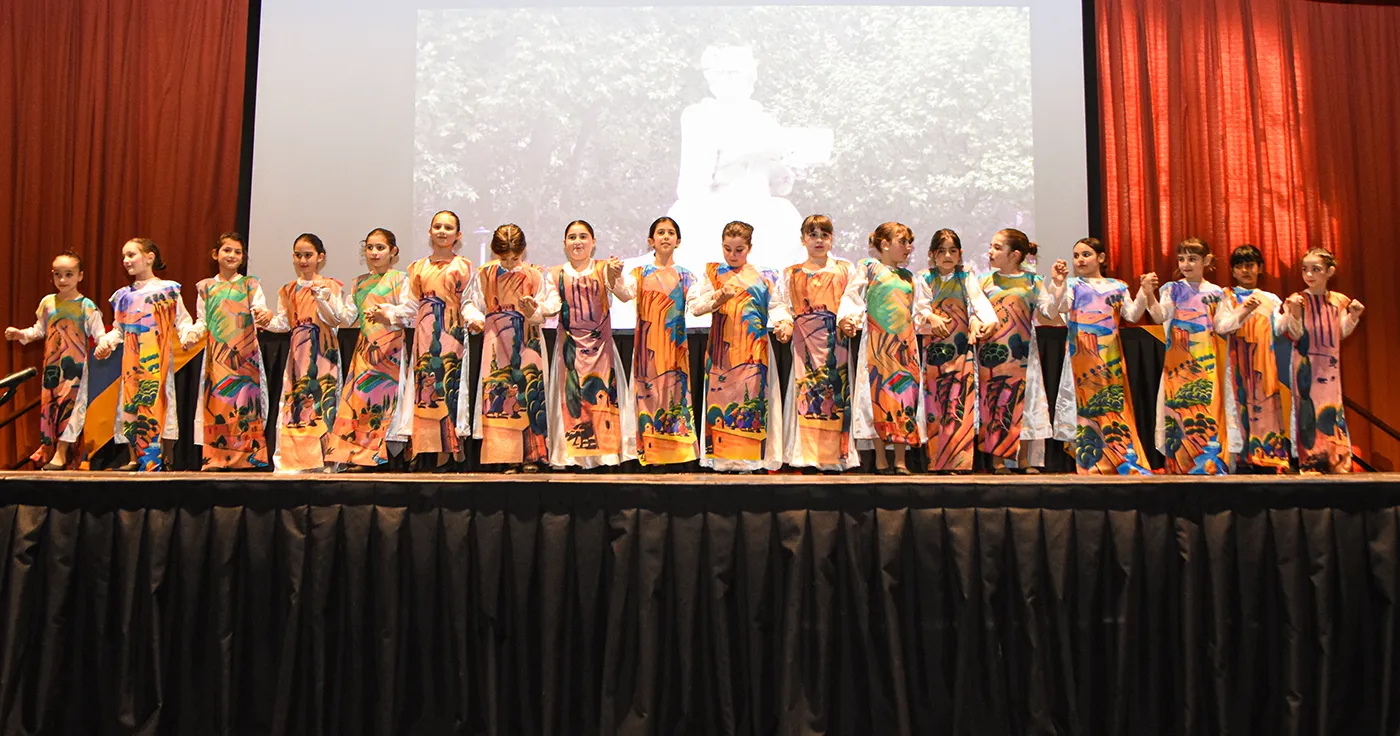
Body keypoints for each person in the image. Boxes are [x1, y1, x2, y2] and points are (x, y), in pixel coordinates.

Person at [666, 45, 808, 272]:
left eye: (736, 73)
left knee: (786, 227)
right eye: (724, 73)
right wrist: (750, 151)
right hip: (717, 206)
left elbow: (780, 186)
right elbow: (695, 181)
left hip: (762, 206)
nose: (729, 80)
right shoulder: (700, 116)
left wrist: (783, 164)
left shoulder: (765, 122)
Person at [687, 220, 792, 472]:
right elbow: (696, 307)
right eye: (727, 249)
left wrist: (784, 324)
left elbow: (777, 306)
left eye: (739, 250)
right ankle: (723, 461)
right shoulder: (713, 273)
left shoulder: (766, 276)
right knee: (722, 402)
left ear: (749, 248)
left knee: (753, 402)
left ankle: (753, 461)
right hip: (722, 351)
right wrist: (717, 298)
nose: (732, 255)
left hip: (754, 351)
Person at [1044, 238, 1153, 475]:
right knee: (1087, 408)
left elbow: (1132, 316)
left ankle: (1119, 458)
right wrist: (1058, 283)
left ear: (1101, 258)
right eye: (1076, 256)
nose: (1080, 260)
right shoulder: (1073, 285)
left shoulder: (1118, 287)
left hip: (1111, 359)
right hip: (1081, 359)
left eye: (1086, 254)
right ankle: (1092, 463)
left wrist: (1144, 292)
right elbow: (1058, 309)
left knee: (1113, 407)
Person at [378, 211, 477, 468]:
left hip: (453, 334)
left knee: (449, 385)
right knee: (424, 386)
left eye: (448, 227)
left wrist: (475, 318)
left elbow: (468, 301)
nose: (442, 231)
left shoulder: (464, 266)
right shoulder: (417, 268)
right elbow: (410, 306)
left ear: (458, 235)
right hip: (425, 333)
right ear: (430, 232)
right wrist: (388, 314)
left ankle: (450, 449)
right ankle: (424, 447)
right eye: (438, 226)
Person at [540, 220, 635, 469]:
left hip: (601, 351)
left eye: (583, 237)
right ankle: (572, 456)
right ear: (564, 244)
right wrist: (534, 308)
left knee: (602, 397)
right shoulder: (555, 274)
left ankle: (605, 454)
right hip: (570, 351)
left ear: (593, 242)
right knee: (571, 398)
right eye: (572, 237)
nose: (578, 242)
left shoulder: (603, 269)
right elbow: (551, 306)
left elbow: (625, 295)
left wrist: (614, 276)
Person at [92, 238, 193, 471]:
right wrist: (106, 344)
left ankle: (163, 458)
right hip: (132, 360)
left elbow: (183, 321)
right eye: (124, 257)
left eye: (131, 255)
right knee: (131, 404)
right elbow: (119, 329)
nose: (126, 261)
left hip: (157, 358)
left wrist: (189, 334)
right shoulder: (123, 296)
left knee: (159, 402)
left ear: (149, 257)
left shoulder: (168, 290)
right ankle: (134, 457)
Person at [1138, 237, 1234, 474]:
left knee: (1207, 412)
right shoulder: (1172, 289)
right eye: (1181, 259)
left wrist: (1243, 312)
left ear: (1206, 261)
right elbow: (1159, 316)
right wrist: (1149, 295)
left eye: (1192, 259)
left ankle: (1209, 465)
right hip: (1177, 363)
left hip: (1206, 363)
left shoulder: (1216, 293)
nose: (1185, 264)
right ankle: (1179, 466)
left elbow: (1222, 326)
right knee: (1178, 412)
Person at [179, 232, 272, 470]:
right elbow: (203, 321)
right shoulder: (206, 288)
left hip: (245, 358)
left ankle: (247, 458)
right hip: (217, 358)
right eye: (227, 250)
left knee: (244, 406)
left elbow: (259, 309)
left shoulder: (250, 284)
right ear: (215, 254)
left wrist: (264, 314)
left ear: (243, 257)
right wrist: (192, 335)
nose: (232, 255)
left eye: (237, 252)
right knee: (219, 406)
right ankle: (217, 458)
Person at [5, 251, 105, 470]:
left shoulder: (86, 306)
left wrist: (106, 345)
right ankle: (54, 451)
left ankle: (61, 453)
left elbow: (100, 336)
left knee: (71, 408)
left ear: (80, 276)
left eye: (69, 274)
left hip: (76, 369)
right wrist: (20, 334)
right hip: (52, 367)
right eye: (58, 274)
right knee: (51, 408)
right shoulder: (48, 303)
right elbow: (39, 330)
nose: (62, 279)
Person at [262, 233, 353, 472]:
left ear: (320, 257)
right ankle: (295, 462)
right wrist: (266, 320)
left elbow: (337, 318)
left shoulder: (331, 286)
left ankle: (325, 461)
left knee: (324, 403)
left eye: (308, 255)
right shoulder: (288, 290)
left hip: (324, 356)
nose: (303, 260)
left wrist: (323, 298)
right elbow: (284, 323)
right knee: (296, 405)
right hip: (297, 358)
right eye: (298, 255)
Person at [838, 222, 923, 474]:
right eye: (902, 242)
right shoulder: (869, 267)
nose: (908, 247)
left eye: (909, 243)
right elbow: (853, 296)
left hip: (904, 346)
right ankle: (880, 458)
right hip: (877, 345)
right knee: (876, 395)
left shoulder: (909, 277)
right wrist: (848, 318)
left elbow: (917, 310)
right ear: (884, 244)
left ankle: (900, 459)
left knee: (903, 399)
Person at [616, 217, 700, 467]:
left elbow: (697, 306)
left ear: (678, 241)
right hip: (648, 349)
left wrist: (716, 299)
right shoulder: (639, 274)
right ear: (651, 241)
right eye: (660, 232)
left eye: (670, 233)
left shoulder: (686, 276)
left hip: (675, 350)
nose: (666, 237)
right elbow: (624, 295)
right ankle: (650, 453)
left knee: (675, 398)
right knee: (648, 396)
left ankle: (676, 454)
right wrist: (612, 277)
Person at [468, 223, 549, 472]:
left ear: (522, 252)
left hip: (527, 341)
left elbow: (545, 309)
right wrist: (475, 318)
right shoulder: (485, 274)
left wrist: (534, 310)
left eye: (514, 258)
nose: (510, 263)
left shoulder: (534, 275)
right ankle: (506, 455)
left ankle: (531, 455)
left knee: (528, 393)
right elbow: (471, 303)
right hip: (495, 340)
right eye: (504, 258)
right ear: (495, 252)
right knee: (500, 393)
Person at [325, 228, 409, 470]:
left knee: (388, 402)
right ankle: (360, 455)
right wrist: (327, 299)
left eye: (380, 248)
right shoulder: (359, 283)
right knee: (361, 403)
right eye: (370, 248)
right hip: (365, 351)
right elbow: (346, 317)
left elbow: (408, 312)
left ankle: (384, 458)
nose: (374, 252)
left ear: (393, 251)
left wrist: (388, 314)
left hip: (391, 350)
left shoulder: (401, 279)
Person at [914, 229, 996, 473]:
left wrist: (987, 321)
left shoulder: (965, 276)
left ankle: (960, 462)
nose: (947, 256)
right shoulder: (925, 278)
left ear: (960, 253)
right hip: (935, 351)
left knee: (960, 401)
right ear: (932, 254)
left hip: (961, 351)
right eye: (942, 251)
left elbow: (978, 302)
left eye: (952, 251)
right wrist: (931, 317)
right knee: (936, 403)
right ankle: (938, 461)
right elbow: (919, 309)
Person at [1278, 246, 1365, 473]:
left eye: (1315, 269)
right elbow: (1295, 334)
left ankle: (1337, 462)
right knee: (1307, 411)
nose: (1309, 274)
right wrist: (1295, 313)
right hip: (1306, 365)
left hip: (1330, 366)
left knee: (1332, 409)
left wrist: (1353, 316)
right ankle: (1311, 463)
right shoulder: (1298, 300)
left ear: (1329, 271)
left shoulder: (1339, 300)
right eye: (1305, 269)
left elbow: (1340, 333)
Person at [782, 215, 858, 471]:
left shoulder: (844, 269)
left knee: (837, 395)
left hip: (835, 344)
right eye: (813, 235)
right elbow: (781, 304)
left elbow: (852, 299)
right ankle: (805, 456)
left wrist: (848, 320)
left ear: (831, 239)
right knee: (804, 394)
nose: (819, 240)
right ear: (803, 239)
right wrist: (783, 322)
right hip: (803, 344)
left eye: (824, 235)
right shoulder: (791, 273)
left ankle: (835, 457)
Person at [976, 228, 1053, 472]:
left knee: (1026, 403)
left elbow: (1048, 312)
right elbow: (974, 311)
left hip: (1023, 354)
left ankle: (1024, 460)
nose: (991, 251)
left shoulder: (1033, 281)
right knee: (996, 401)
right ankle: (998, 459)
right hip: (993, 354)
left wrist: (1059, 286)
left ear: (1015, 254)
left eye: (998, 247)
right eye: (991, 246)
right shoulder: (984, 281)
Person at [1213, 244, 1291, 473]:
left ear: (1260, 268)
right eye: (1239, 266)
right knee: (1236, 409)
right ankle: (1240, 460)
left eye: (1250, 265)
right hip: (1237, 365)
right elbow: (1221, 326)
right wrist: (1244, 310)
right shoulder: (1226, 296)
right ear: (1233, 271)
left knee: (1267, 409)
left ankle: (1267, 459)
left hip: (1264, 367)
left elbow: (1279, 328)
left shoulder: (1270, 298)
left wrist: (1293, 313)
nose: (1245, 271)